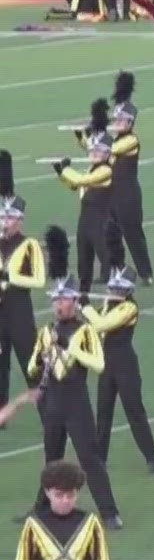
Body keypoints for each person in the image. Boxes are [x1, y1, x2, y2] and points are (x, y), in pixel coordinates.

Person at [29, 227, 122, 526]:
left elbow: (98, 364)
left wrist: (70, 348)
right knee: (51, 458)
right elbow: (33, 368)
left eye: (63, 300)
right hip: (54, 403)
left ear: (74, 301)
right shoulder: (47, 330)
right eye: (55, 300)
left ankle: (110, 512)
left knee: (89, 459)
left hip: (77, 403)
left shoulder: (84, 330)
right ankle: (43, 508)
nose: (57, 305)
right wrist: (41, 356)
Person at [87, 225, 154, 473]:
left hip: (126, 365)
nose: (111, 291)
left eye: (116, 289)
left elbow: (100, 325)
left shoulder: (128, 308)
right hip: (107, 365)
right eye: (111, 288)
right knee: (103, 414)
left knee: (134, 411)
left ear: (126, 291)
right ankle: (100, 459)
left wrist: (83, 307)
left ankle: (152, 457)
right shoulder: (109, 305)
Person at [13, 460, 111, 560]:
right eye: (58, 495)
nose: (65, 500)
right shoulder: (33, 523)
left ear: (77, 493)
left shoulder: (91, 522)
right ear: (47, 492)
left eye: (70, 495)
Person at [0, 155, 44, 407]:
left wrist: (11, 277)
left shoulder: (30, 245)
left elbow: (38, 280)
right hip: (0, 309)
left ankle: (45, 406)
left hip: (19, 307)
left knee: (29, 358)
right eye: (4, 218)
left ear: (20, 221)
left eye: (11, 219)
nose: (6, 223)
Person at [54, 119, 114, 296]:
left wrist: (65, 169)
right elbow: (75, 186)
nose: (94, 153)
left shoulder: (106, 170)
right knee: (84, 257)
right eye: (92, 150)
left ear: (107, 154)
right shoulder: (92, 168)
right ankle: (83, 293)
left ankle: (116, 292)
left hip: (100, 218)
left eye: (99, 151)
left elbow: (81, 181)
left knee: (105, 255)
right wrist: (61, 174)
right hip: (85, 217)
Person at [106, 72, 153, 284]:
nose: (117, 122)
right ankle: (115, 270)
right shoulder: (115, 139)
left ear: (130, 122)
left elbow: (108, 150)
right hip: (112, 193)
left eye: (121, 119)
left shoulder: (131, 140)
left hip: (129, 195)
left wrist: (93, 136)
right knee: (110, 233)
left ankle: (146, 273)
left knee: (133, 234)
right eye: (116, 119)